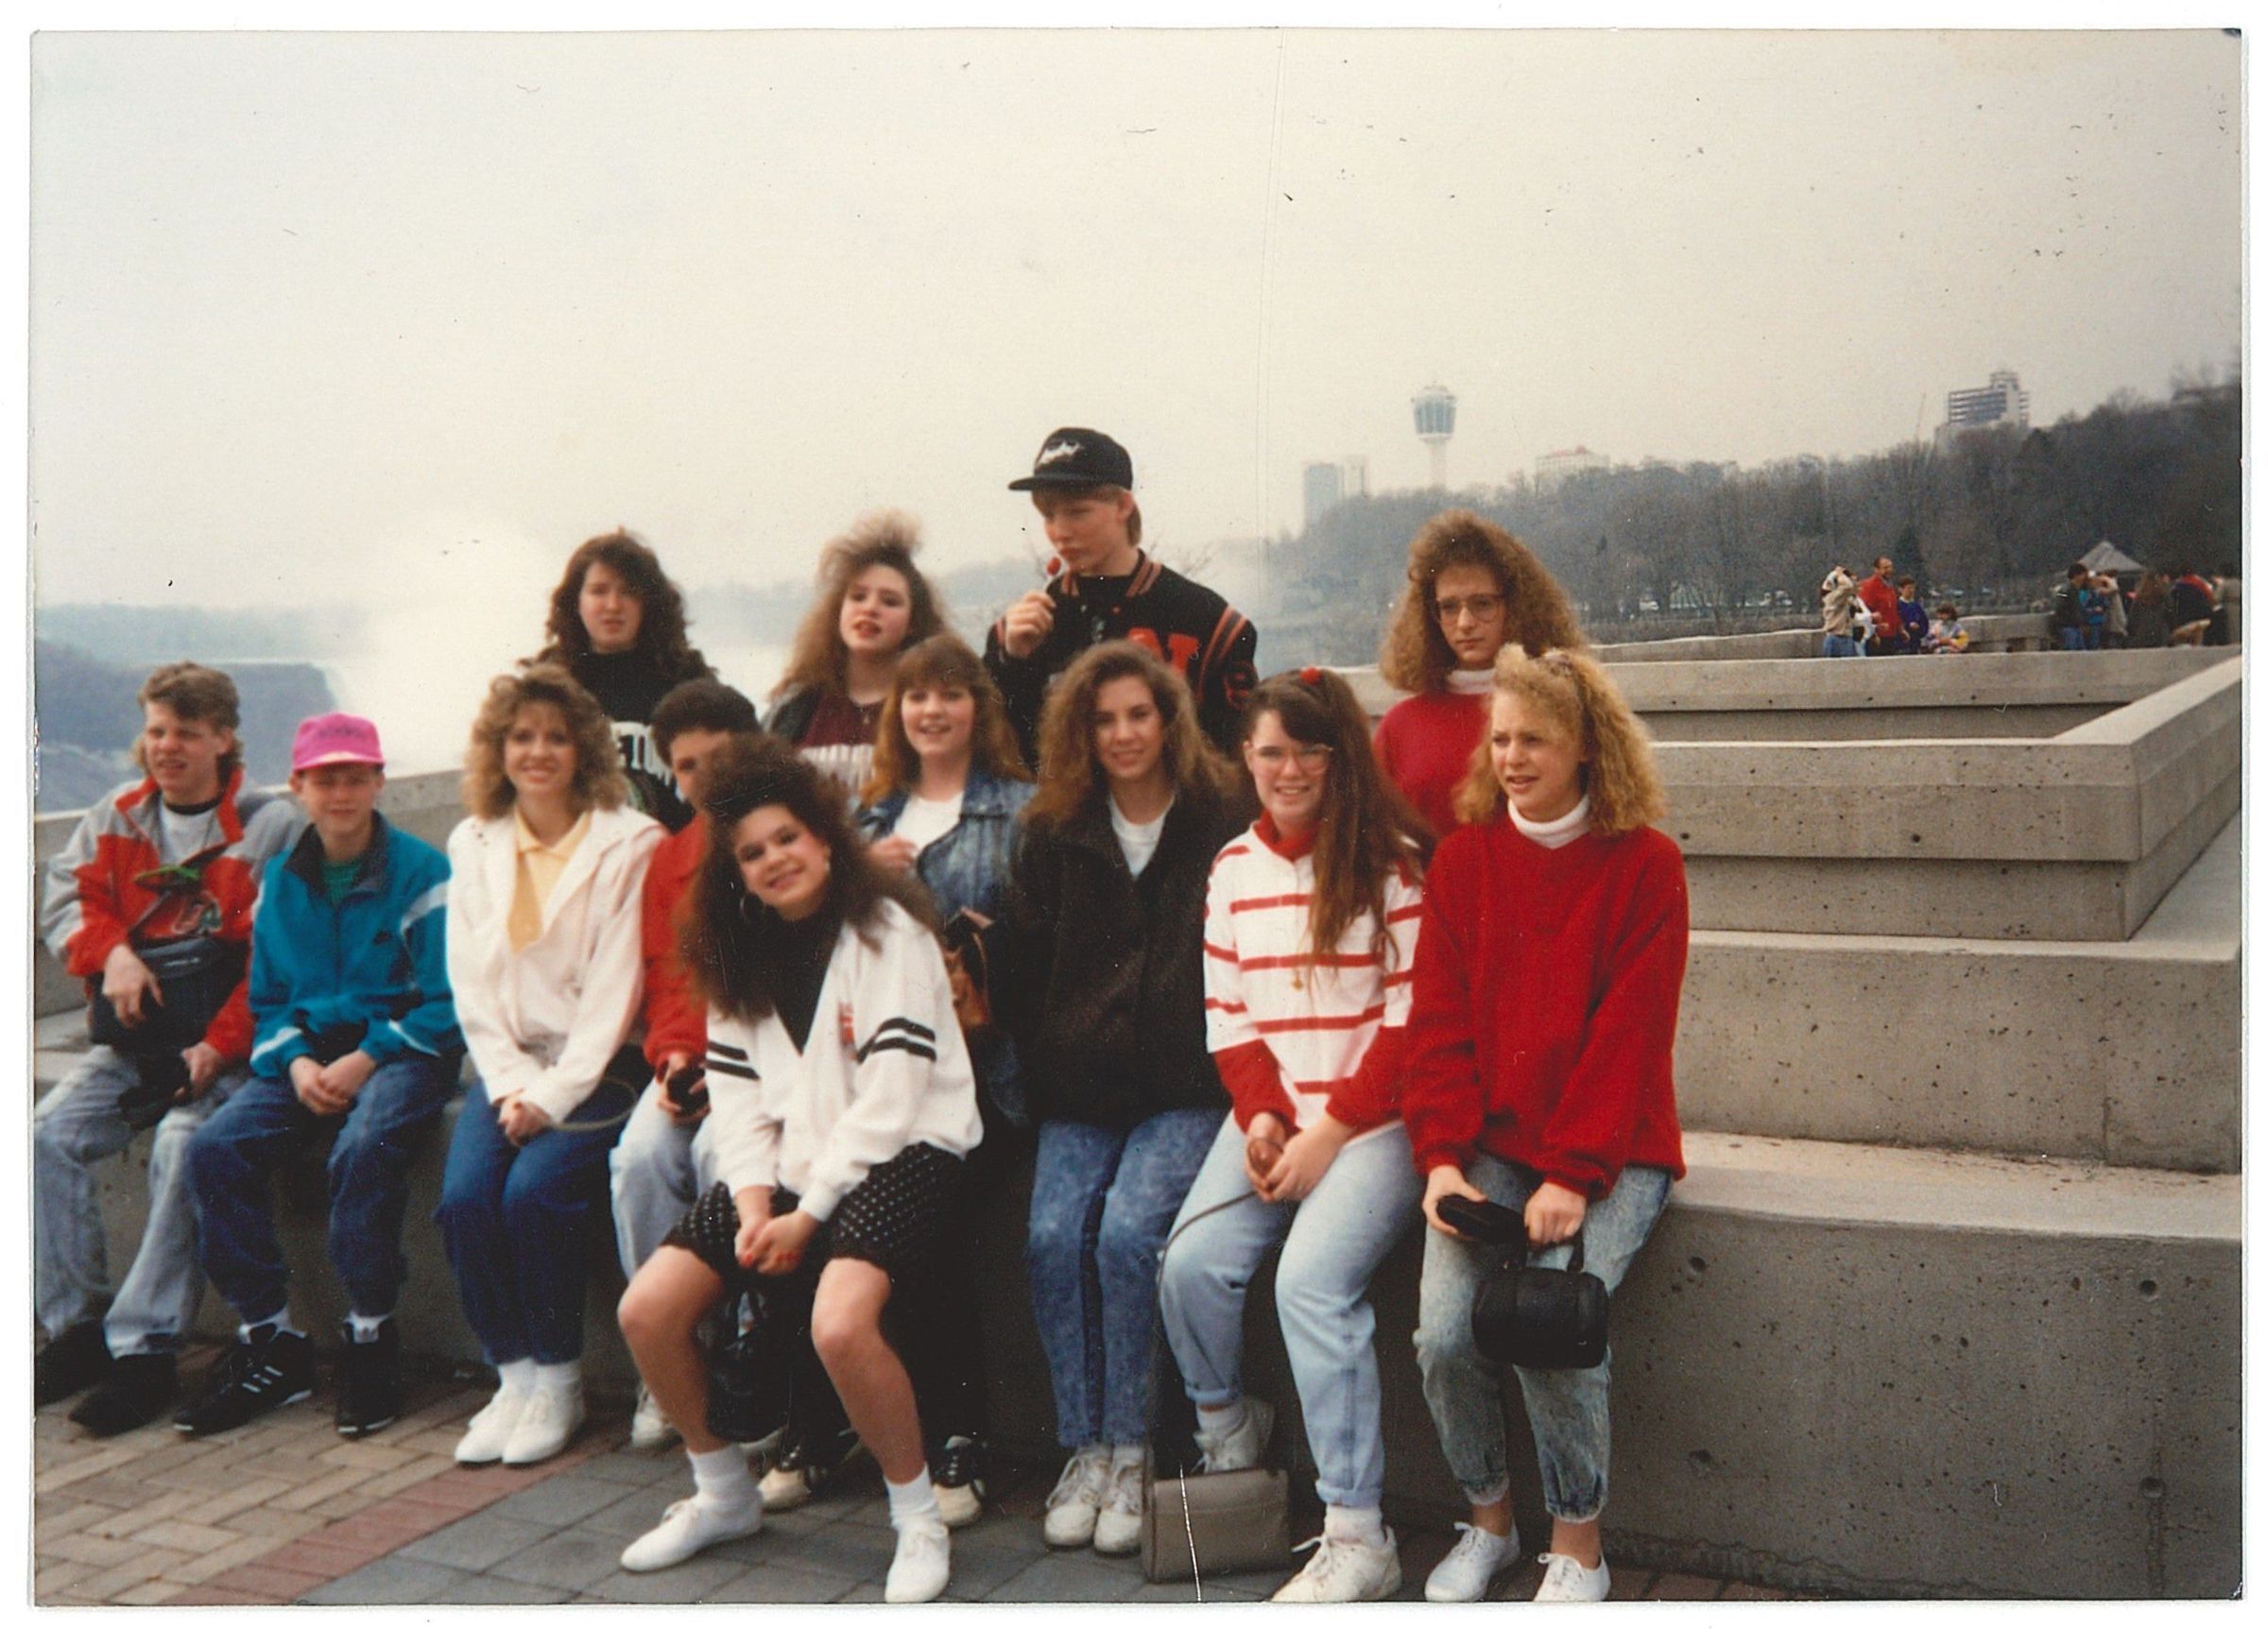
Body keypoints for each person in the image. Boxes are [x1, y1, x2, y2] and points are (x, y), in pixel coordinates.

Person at [611, 739, 983, 1603]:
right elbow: (739, 1105)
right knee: (648, 1309)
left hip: (910, 1150)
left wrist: (805, 1216)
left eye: (787, 838)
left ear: (823, 837)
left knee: (841, 1326)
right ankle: (723, 1496)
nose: (774, 859)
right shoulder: (734, 953)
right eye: (751, 852)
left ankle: (917, 1520)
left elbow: (891, 1100)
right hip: (794, 1167)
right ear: (734, 872)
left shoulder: (887, 932)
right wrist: (752, 1208)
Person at [1403, 646, 1688, 1604]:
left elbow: (1631, 1035)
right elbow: (1437, 1024)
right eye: (1501, 739)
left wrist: (1571, 1173)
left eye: (1535, 739)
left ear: (1587, 747)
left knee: (1546, 1325)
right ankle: (1489, 1520)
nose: (1513, 757)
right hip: (1492, 1144)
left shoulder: (1646, 864)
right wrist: (1442, 1160)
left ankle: (1579, 1545)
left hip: (1614, 1148)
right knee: (1445, 1336)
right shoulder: (1465, 859)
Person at [1156, 667, 1431, 1603]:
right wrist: (1265, 1117)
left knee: (1309, 1283)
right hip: (1277, 1116)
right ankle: (1230, 1438)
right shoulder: (1233, 869)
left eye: (1310, 750)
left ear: (1340, 756)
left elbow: (1408, 1024)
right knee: (1191, 1263)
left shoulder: (1393, 862)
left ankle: (1358, 1533)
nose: (1289, 769)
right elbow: (1229, 1016)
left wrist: (1327, 1133)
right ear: (1246, 757)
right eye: (1271, 751)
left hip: (1375, 1124)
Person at [992, 641, 1247, 1555]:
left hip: (1186, 1085)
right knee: (1054, 1234)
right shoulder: (1053, 829)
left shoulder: (1223, 817)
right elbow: (1023, 969)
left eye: (1140, 714)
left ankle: (1136, 1449)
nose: (1124, 733)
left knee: (1131, 1232)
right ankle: (1087, 1448)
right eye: (1104, 720)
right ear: (1081, 732)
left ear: (1171, 720)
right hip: (1083, 1088)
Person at [34, 663, 302, 1435]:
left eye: (187, 732)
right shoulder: (116, 815)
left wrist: (218, 1046)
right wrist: (111, 953)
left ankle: (145, 1347)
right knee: (44, 1137)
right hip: (137, 1042)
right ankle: (75, 1329)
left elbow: (276, 960)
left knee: (183, 1144)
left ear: (223, 739)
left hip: (225, 1049)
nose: (167, 747)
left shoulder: (271, 826)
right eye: (156, 730)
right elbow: (66, 900)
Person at [179, 713, 461, 1437]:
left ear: (379, 782)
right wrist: (299, 1061)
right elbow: (269, 1002)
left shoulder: (424, 872)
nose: (340, 794)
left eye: (355, 778)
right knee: (213, 1149)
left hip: (402, 1050)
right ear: (298, 787)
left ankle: (371, 1334)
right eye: (325, 779)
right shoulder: (280, 881)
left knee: (361, 1149)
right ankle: (272, 1340)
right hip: (309, 1055)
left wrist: (366, 1058)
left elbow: (447, 1003)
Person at [437, 664, 662, 1466]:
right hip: (510, 1069)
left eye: (557, 738)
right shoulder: (473, 841)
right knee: (465, 1200)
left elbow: (615, 990)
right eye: (522, 737)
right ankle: (516, 1375)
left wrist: (553, 1096)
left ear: (585, 750)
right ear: (498, 750)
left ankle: (561, 1382)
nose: (538, 752)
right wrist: (509, 1086)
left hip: (603, 1066)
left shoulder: (629, 842)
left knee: (533, 1196)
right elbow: (469, 979)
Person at [853, 633, 1038, 1525]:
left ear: (978, 708)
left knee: (932, 1217)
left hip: (988, 1077)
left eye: (950, 694)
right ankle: (855, 1424)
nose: (932, 711)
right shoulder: (868, 821)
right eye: (917, 696)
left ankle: (960, 1435)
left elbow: (1041, 943)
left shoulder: (1022, 812)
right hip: (893, 1077)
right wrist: (862, 880)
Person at [609, 678, 766, 1453]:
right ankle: (669, 1352)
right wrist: (673, 1058)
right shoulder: (671, 859)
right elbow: (667, 976)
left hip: (763, 1063)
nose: (704, 778)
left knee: (720, 1159)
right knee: (638, 1158)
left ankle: (749, 1348)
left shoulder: (782, 838)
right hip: (693, 1056)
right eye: (687, 766)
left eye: (718, 758)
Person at [986, 427, 1258, 760]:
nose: (1060, 532)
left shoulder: (1208, 621)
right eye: (1048, 516)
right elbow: (998, 752)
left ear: (1123, 505)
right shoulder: (1019, 632)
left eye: (1077, 512)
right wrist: (1013, 663)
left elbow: (1237, 757)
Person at [1372, 509, 1585, 840]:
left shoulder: (1562, 709)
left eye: (1482, 604)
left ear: (1517, 605)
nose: (1465, 623)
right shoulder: (1399, 726)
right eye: (1449, 607)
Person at [530, 529, 716, 831]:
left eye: (628, 592)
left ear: (648, 602)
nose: (613, 605)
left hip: (673, 851)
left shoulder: (688, 681)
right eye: (599, 591)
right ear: (576, 601)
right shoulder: (548, 685)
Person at [767, 509, 949, 797]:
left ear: (913, 622)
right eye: (858, 597)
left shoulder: (930, 709)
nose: (870, 608)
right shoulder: (796, 706)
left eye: (890, 601)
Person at [1856, 557, 1901, 656]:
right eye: (1885, 568)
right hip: (1877, 637)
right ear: (1876, 570)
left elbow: (1893, 610)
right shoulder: (1869, 586)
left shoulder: (1889, 587)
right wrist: (1874, 631)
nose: (1889, 570)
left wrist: (1900, 629)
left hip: (1891, 634)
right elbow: (1863, 611)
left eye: (1890, 567)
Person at [1818, 565, 1862, 659]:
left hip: (1847, 637)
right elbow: (1847, 587)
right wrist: (1840, 575)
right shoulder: (1832, 598)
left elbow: (1853, 589)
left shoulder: (1846, 599)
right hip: (1835, 638)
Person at [2169, 562, 2217, 646]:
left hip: (2183, 620)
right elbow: (2211, 598)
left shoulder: (2177, 586)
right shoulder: (2200, 582)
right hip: (2201, 618)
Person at [2052, 562, 2094, 651]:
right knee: (2071, 651)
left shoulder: (2075, 589)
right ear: (2076, 575)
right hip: (2067, 626)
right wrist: (2072, 618)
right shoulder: (2064, 590)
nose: (2085, 578)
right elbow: (2059, 605)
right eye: (2083, 575)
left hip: (2074, 626)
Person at [2126, 571, 2174, 649]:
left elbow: (2132, 620)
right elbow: (2171, 617)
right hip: (2161, 635)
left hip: (2141, 635)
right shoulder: (2164, 597)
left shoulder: (2139, 600)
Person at [1894, 576, 1930, 655]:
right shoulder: (1896, 605)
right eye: (1908, 588)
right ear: (1900, 589)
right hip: (1900, 645)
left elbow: (1925, 624)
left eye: (1913, 588)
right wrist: (1907, 626)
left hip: (1915, 645)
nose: (1911, 591)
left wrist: (1919, 628)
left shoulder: (1917, 607)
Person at [2094, 574, 2130, 650]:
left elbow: (2114, 588)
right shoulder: (2099, 591)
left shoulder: (2112, 591)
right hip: (2107, 622)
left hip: (2115, 621)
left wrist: (2105, 578)